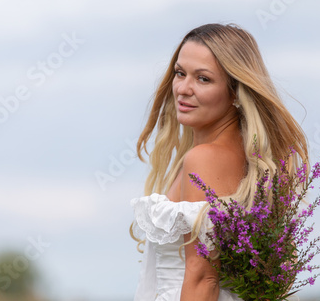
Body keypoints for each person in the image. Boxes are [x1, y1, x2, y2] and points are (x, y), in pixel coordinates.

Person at [130, 23, 308, 301]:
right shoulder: (245, 161)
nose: (183, 88)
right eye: (180, 73)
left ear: (235, 91)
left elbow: (203, 278)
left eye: (203, 79)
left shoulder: (204, 159)